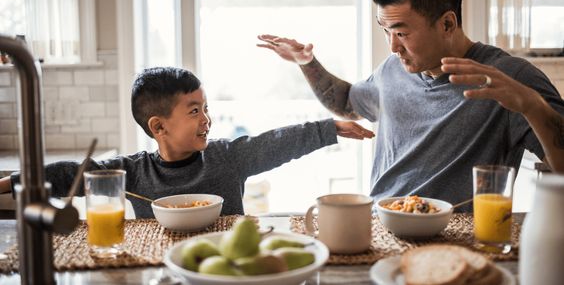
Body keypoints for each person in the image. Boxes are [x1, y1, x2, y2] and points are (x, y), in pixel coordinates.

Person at [256, 0, 564, 208]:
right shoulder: (392, 69)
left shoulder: (509, 77)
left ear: (447, 24)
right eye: (385, 29)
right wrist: (306, 62)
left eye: (401, 32)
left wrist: (531, 105)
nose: (392, 46)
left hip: (456, 240)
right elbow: (347, 103)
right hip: (379, 228)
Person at [0, 67, 374, 218]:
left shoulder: (226, 157)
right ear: (158, 127)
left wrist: (329, 129)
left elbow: (276, 142)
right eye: (194, 111)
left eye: (206, 108)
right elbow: (72, 174)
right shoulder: (132, 173)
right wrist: (9, 182)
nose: (206, 119)